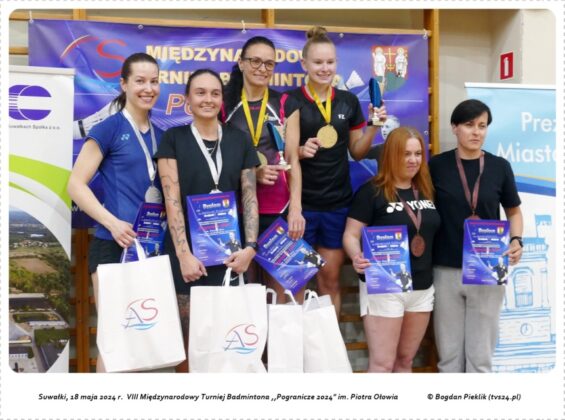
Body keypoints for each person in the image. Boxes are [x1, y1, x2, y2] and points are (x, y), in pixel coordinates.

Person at [155, 69, 259, 372]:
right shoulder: (173, 139)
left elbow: (250, 197)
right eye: (200, 92)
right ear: (187, 99)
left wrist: (250, 248)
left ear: (222, 99)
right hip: (187, 257)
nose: (208, 99)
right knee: (188, 342)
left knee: (227, 340)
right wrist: (183, 255)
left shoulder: (239, 140)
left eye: (214, 93)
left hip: (230, 255)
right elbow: (171, 200)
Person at [67, 52, 162, 373]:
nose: (148, 88)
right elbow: (75, 185)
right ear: (123, 84)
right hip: (113, 245)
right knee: (113, 339)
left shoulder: (162, 135)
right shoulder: (108, 128)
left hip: (151, 249)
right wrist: (113, 223)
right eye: (140, 81)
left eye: (154, 81)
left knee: (144, 341)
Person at [287, 26, 387, 315]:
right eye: (318, 62)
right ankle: (295, 341)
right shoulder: (292, 100)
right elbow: (289, 156)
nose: (324, 68)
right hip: (302, 207)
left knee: (329, 280)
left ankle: (327, 342)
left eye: (330, 62)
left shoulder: (348, 101)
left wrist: (374, 127)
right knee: (296, 283)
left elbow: (357, 152)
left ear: (336, 64)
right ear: (304, 64)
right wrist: (295, 207)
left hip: (336, 205)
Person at [429, 99, 523, 373]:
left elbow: (514, 212)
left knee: (480, 359)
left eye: (482, 126)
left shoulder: (499, 166)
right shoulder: (437, 166)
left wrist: (516, 240)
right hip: (445, 268)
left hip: (487, 269)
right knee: (449, 358)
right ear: (454, 127)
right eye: (469, 125)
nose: (476, 132)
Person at [343, 126, 440, 372]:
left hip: (422, 287)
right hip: (385, 286)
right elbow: (351, 235)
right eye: (406, 154)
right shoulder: (371, 191)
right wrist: (356, 256)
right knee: (382, 364)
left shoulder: (427, 190)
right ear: (391, 155)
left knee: (405, 361)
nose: (413, 160)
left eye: (418, 154)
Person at [223, 36, 305, 302]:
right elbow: (219, 158)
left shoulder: (286, 104)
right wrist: (252, 173)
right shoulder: (224, 103)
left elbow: (292, 159)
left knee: (284, 294)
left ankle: (281, 334)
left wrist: (296, 209)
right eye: (255, 61)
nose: (262, 68)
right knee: (245, 295)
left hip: (278, 208)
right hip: (238, 211)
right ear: (241, 63)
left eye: (269, 63)